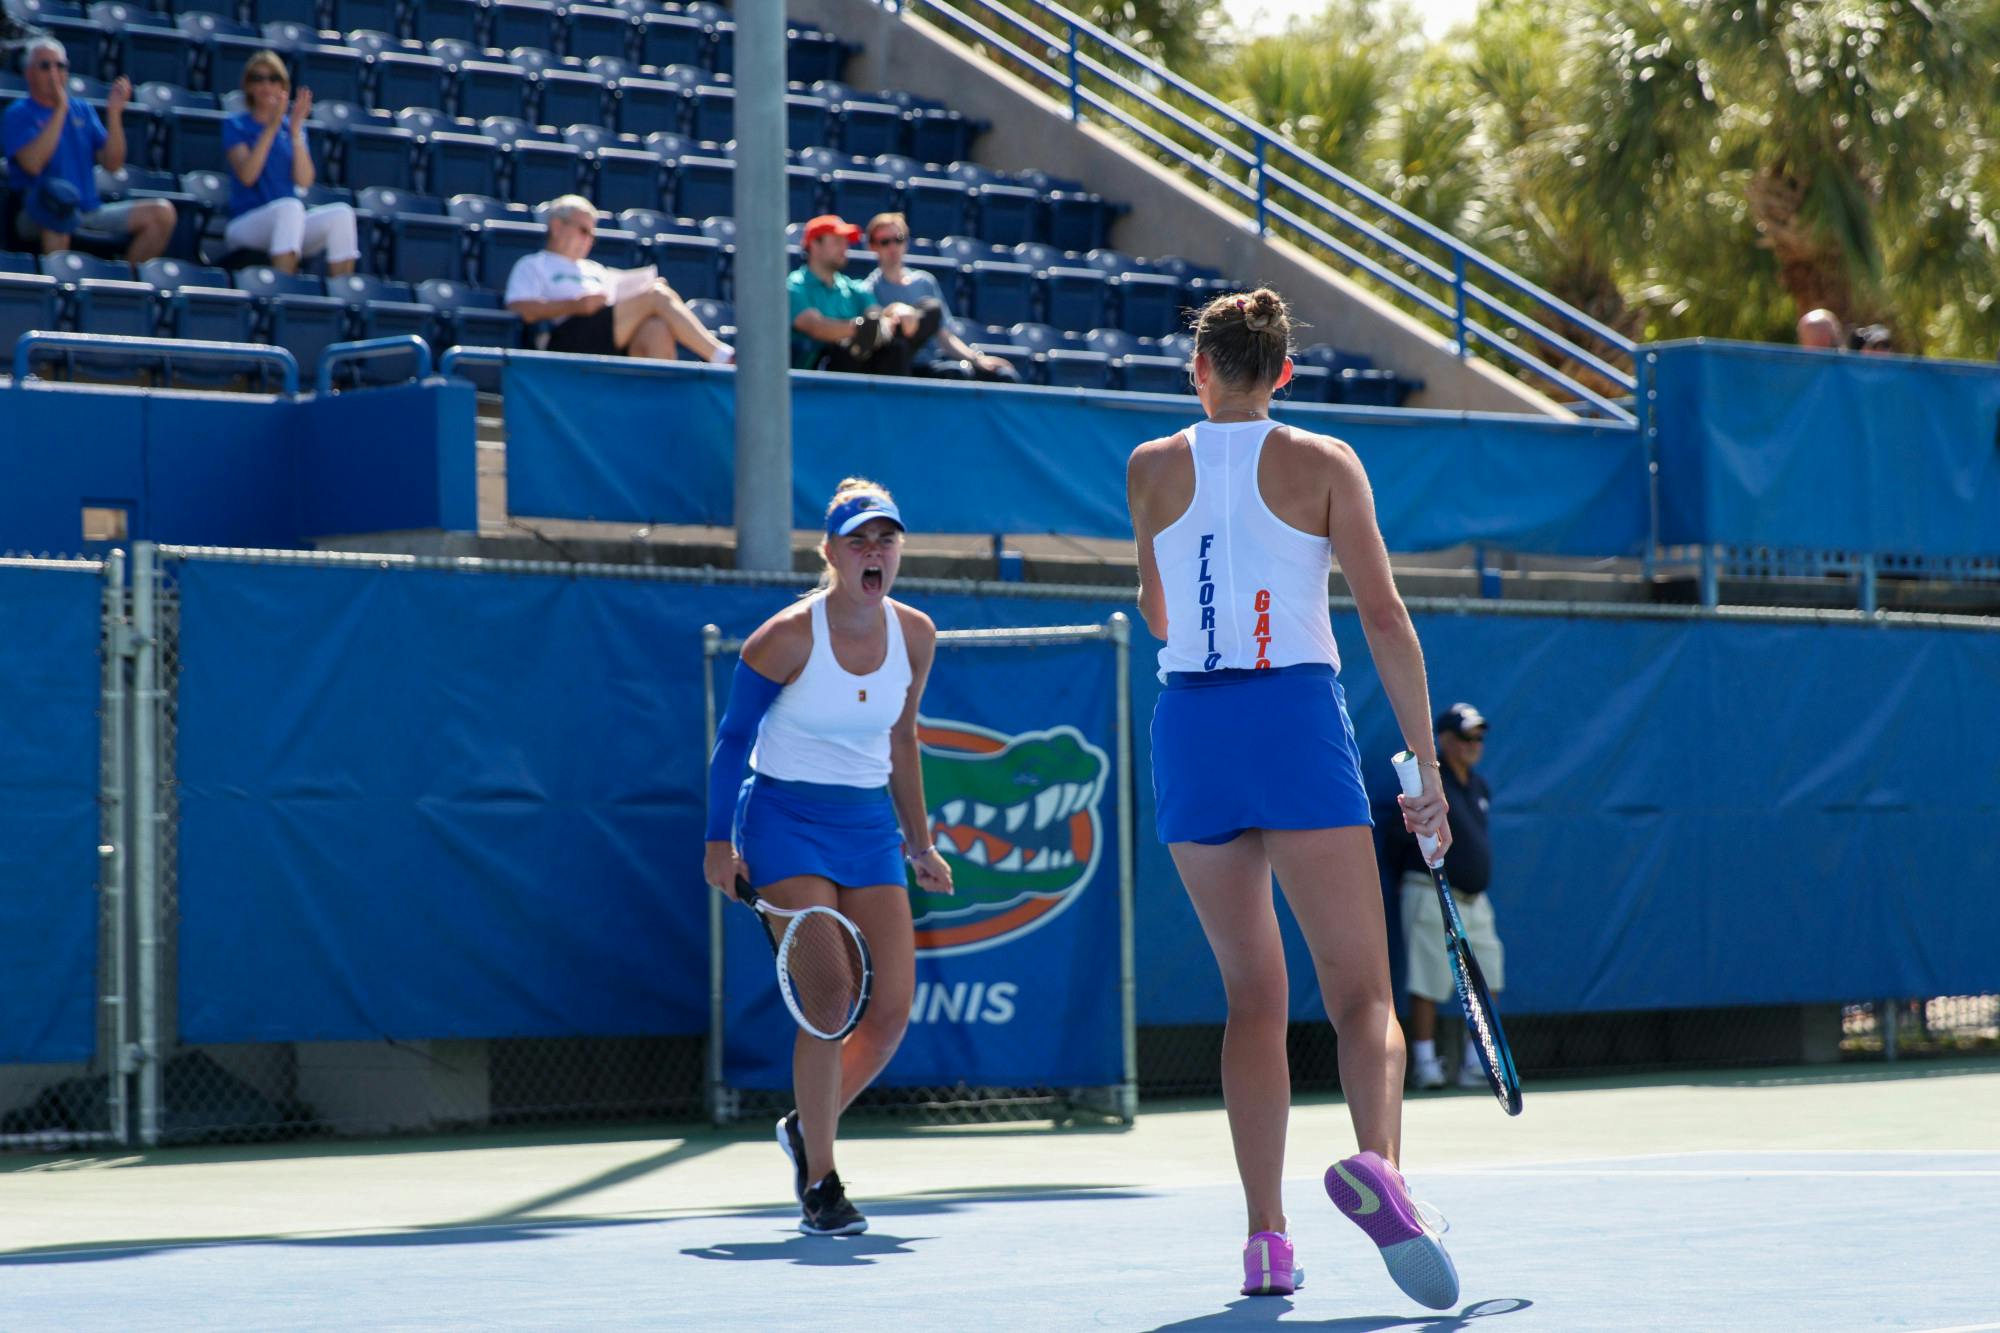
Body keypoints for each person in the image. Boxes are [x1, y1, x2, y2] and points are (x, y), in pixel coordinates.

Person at [1126, 287, 1461, 1309]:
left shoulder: (1148, 469)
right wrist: (1427, 772)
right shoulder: (1324, 463)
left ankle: (1264, 1243)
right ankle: (1379, 1168)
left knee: (1251, 1000)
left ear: (1198, 370)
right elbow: (1384, 617)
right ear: (1281, 372)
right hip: (1292, 718)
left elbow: (1157, 611)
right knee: (1360, 992)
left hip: (1190, 728)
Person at [701, 478, 953, 1237]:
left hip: (867, 825)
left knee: (893, 1010)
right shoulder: (782, 637)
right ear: (832, 553)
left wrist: (920, 841)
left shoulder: (916, 635)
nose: (874, 552)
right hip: (783, 819)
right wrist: (720, 841)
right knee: (830, 998)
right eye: (858, 540)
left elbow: (902, 739)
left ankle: (807, 1125)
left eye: (886, 539)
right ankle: (821, 1179)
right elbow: (731, 743)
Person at [1385, 702, 1503, 1091]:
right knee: (1428, 979)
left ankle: (1477, 1064)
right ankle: (1425, 1063)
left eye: (1479, 737)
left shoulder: (1479, 786)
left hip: (1476, 901)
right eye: (1466, 737)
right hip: (1430, 892)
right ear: (1446, 740)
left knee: (1488, 979)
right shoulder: (1430, 785)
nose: (1474, 744)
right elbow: (1397, 835)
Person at [3, 38, 175, 263]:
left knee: (162, 213)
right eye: (46, 66)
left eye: (60, 66)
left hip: (88, 210)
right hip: (36, 209)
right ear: (28, 73)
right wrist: (60, 110)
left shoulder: (83, 110)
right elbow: (32, 164)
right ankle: (59, 289)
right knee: (56, 209)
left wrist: (114, 114)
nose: (54, 73)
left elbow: (112, 164)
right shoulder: (18, 113)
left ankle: (124, 287)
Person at [505, 195, 733, 362]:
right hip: (564, 339)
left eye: (593, 235)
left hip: (606, 337)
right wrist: (575, 305)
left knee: (657, 327)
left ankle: (659, 409)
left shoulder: (595, 269)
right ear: (556, 226)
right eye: (583, 231)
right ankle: (721, 357)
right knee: (656, 295)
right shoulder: (533, 264)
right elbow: (520, 307)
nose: (589, 240)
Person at [221, 52, 358, 276]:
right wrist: (271, 129)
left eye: (274, 78)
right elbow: (248, 175)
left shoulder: (292, 128)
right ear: (248, 85)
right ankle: (286, 292)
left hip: (290, 224)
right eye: (258, 78)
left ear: (283, 86)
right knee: (290, 207)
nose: (267, 84)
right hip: (245, 224)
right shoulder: (236, 125)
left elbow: (304, 180)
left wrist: (295, 132)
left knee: (342, 214)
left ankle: (343, 297)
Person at [859, 211, 1019, 383]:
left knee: (1002, 376)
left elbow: (944, 336)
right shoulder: (868, 288)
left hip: (930, 365)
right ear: (872, 246)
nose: (893, 247)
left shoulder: (925, 282)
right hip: (894, 369)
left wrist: (977, 359)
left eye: (898, 238)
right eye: (885, 242)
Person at [789, 213, 940, 374]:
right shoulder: (796, 286)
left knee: (928, 312)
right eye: (837, 241)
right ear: (814, 245)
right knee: (851, 349)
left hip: (860, 365)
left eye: (845, 242)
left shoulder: (854, 287)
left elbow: (876, 315)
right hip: (819, 371)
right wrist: (861, 328)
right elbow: (816, 327)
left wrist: (897, 311)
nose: (844, 248)